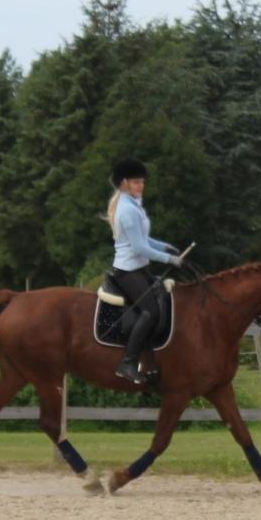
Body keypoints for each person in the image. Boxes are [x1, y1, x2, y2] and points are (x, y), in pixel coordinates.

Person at [106, 158, 183, 384]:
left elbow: (145, 239)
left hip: (140, 268)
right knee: (151, 311)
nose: (141, 186)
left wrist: (164, 246)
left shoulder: (133, 205)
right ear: (124, 184)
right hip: (128, 271)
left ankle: (149, 362)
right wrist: (170, 259)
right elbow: (139, 248)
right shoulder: (127, 211)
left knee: (163, 300)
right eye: (137, 182)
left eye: (142, 182)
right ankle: (127, 363)